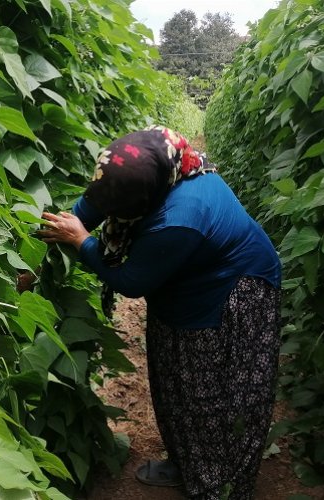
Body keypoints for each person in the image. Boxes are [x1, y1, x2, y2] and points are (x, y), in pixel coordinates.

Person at [37, 126, 282, 500]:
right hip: (187, 282)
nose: (108, 212)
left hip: (232, 292)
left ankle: (219, 485)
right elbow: (94, 203)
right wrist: (52, 237)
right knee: (175, 382)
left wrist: (83, 243)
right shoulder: (144, 167)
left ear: (144, 200)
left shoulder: (181, 215)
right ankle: (189, 462)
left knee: (213, 395)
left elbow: (132, 281)